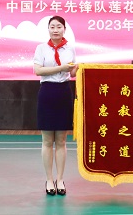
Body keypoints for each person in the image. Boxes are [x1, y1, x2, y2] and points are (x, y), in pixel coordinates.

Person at [34, 16, 77, 196]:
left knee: (61, 141)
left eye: (59, 27)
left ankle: (60, 179)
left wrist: (76, 69)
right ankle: (49, 179)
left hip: (64, 92)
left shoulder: (70, 49)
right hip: (47, 92)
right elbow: (38, 70)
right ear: (48, 30)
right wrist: (61, 68)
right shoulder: (41, 48)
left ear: (64, 29)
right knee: (47, 141)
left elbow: (71, 73)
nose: (55, 30)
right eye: (52, 27)